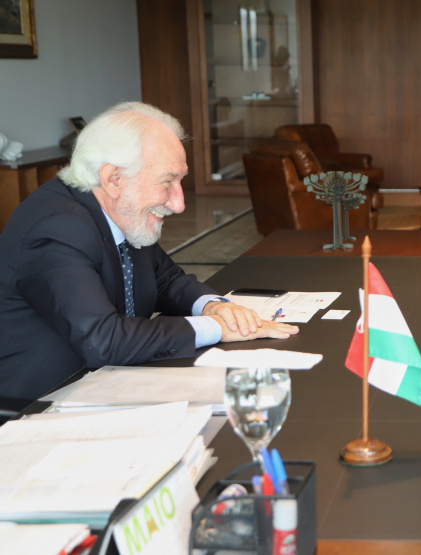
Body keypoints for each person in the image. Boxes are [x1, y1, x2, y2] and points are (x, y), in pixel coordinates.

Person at [0, 102, 299, 402]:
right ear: (114, 178)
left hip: (111, 381)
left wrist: (214, 307)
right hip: (44, 402)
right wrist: (216, 328)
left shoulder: (122, 210)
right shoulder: (57, 228)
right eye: (168, 182)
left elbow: (166, 279)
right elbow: (104, 340)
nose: (179, 204)